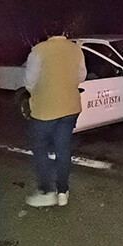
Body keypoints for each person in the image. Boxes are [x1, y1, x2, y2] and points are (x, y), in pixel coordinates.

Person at [24, 21, 86, 207]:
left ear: (46, 32)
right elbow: (81, 76)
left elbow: (29, 80)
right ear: (64, 31)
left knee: (40, 147)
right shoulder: (76, 49)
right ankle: (62, 192)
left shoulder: (39, 50)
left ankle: (46, 190)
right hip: (70, 107)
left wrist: (37, 90)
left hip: (46, 108)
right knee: (63, 148)